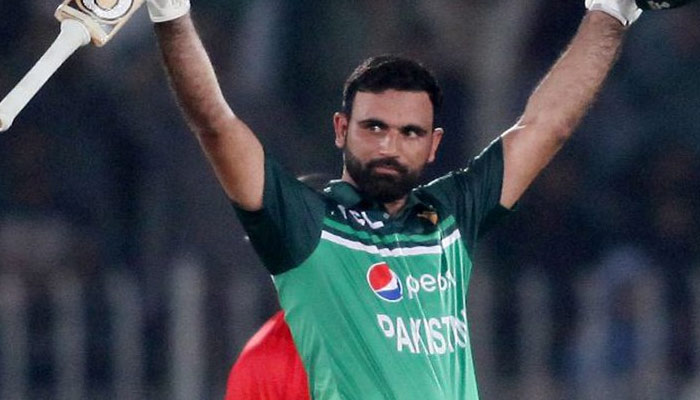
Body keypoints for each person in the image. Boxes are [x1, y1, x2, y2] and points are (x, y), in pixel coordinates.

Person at [144, 0, 662, 398]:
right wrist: (171, 13)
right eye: (374, 127)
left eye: (410, 132)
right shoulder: (307, 225)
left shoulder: (448, 217)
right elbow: (216, 123)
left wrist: (612, 11)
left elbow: (549, 124)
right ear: (341, 129)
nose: (390, 145)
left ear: (434, 144)